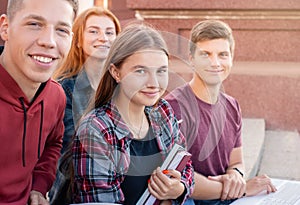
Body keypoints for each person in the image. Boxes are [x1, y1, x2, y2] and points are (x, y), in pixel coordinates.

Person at [72, 23, 194, 204]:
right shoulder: (96, 129)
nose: (154, 83)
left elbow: (186, 167)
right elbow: (102, 202)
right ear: (116, 72)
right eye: (140, 71)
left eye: (161, 71)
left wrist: (179, 188)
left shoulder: (163, 112)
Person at [165, 20, 277, 205]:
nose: (215, 62)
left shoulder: (232, 106)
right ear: (191, 59)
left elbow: (236, 162)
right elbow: (176, 175)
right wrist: (241, 189)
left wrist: (234, 175)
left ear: (231, 58)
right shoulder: (173, 107)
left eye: (223, 54)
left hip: (224, 200)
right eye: (205, 54)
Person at [0, 0, 78, 204]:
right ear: (5, 28)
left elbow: (53, 143)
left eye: (61, 29)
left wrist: (39, 186)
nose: (49, 41)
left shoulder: (57, 96)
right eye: (34, 24)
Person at [48, 7, 121, 204]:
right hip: (76, 189)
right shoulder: (65, 87)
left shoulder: (124, 87)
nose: (103, 38)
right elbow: (75, 145)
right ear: (78, 40)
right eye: (93, 31)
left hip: (120, 184)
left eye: (109, 32)